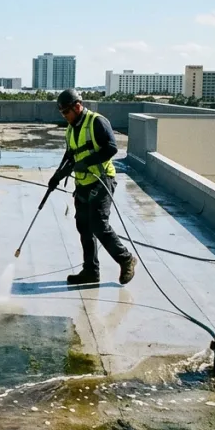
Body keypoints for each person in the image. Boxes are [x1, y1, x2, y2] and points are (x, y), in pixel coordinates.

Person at [47, 88, 137, 285]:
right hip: (82, 183)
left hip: (102, 180)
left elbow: (111, 148)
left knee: (98, 224)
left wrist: (87, 162)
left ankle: (126, 259)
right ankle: (90, 271)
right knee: (83, 226)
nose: (64, 116)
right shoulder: (71, 128)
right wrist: (57, 176)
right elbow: (70, 156)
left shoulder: (97, 122)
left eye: (66, 112)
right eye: (62, 113)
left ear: (77, 106)